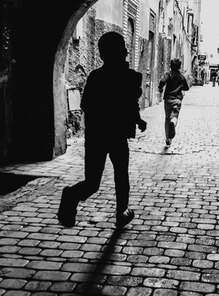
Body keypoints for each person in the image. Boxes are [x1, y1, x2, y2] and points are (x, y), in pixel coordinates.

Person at [58, 32, 147, 229]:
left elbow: (85, 104)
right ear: (123, 52)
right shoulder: (131, 78)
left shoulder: (96, 76)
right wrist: (138, 120)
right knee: (121, 176)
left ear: (101, 55)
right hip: (117, 136)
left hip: (96, 136)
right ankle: (121, 213)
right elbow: (131, 106)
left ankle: (72, 194)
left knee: (92, 183)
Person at [158, 58, 190, 146]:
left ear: (170, 66)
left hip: (168, 99)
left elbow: (162, 81)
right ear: (179, 67)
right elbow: (187, 88)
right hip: (177, 100)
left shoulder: (168, 74)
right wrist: (180, 87)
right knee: (174, 116)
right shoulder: (181, 76)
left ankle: (167, 139)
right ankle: (173, 123)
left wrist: (160, 88)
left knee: (167, 118)